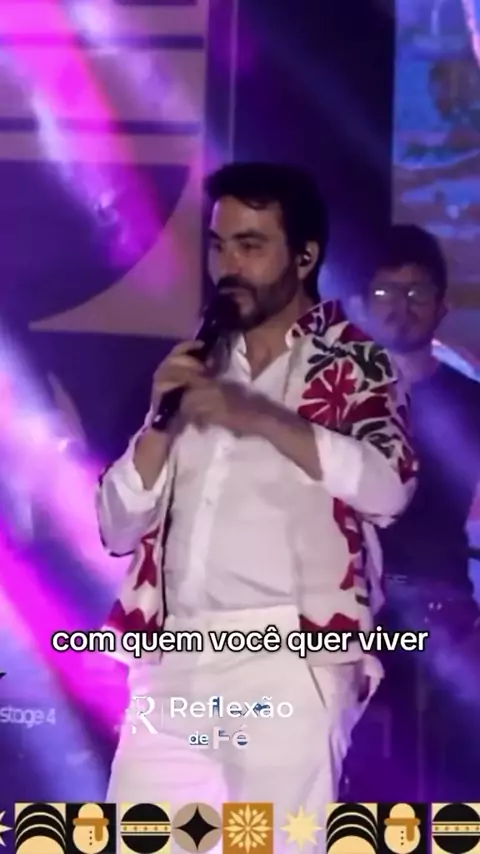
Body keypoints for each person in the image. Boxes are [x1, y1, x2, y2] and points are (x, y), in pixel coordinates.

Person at [96, 163, 416, 837]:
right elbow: (115, 527)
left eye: (251, 245)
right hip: (173, 657)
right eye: (219, 246)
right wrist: (159, 423)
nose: (229, 266)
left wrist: (262, 417)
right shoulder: (194, 363)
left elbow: (388, 487)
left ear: (304, 257)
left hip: (287, 658)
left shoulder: (354, 362)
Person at [356, 223, 480, 800]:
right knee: (354, 775)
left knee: (448, 780)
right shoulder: (333, 401)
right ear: (362, 302)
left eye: (416, 293)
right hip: (350, 614)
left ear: (441, 306)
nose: (400, 307)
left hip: (442, 616)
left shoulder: (470, 403)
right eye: (385, 292)